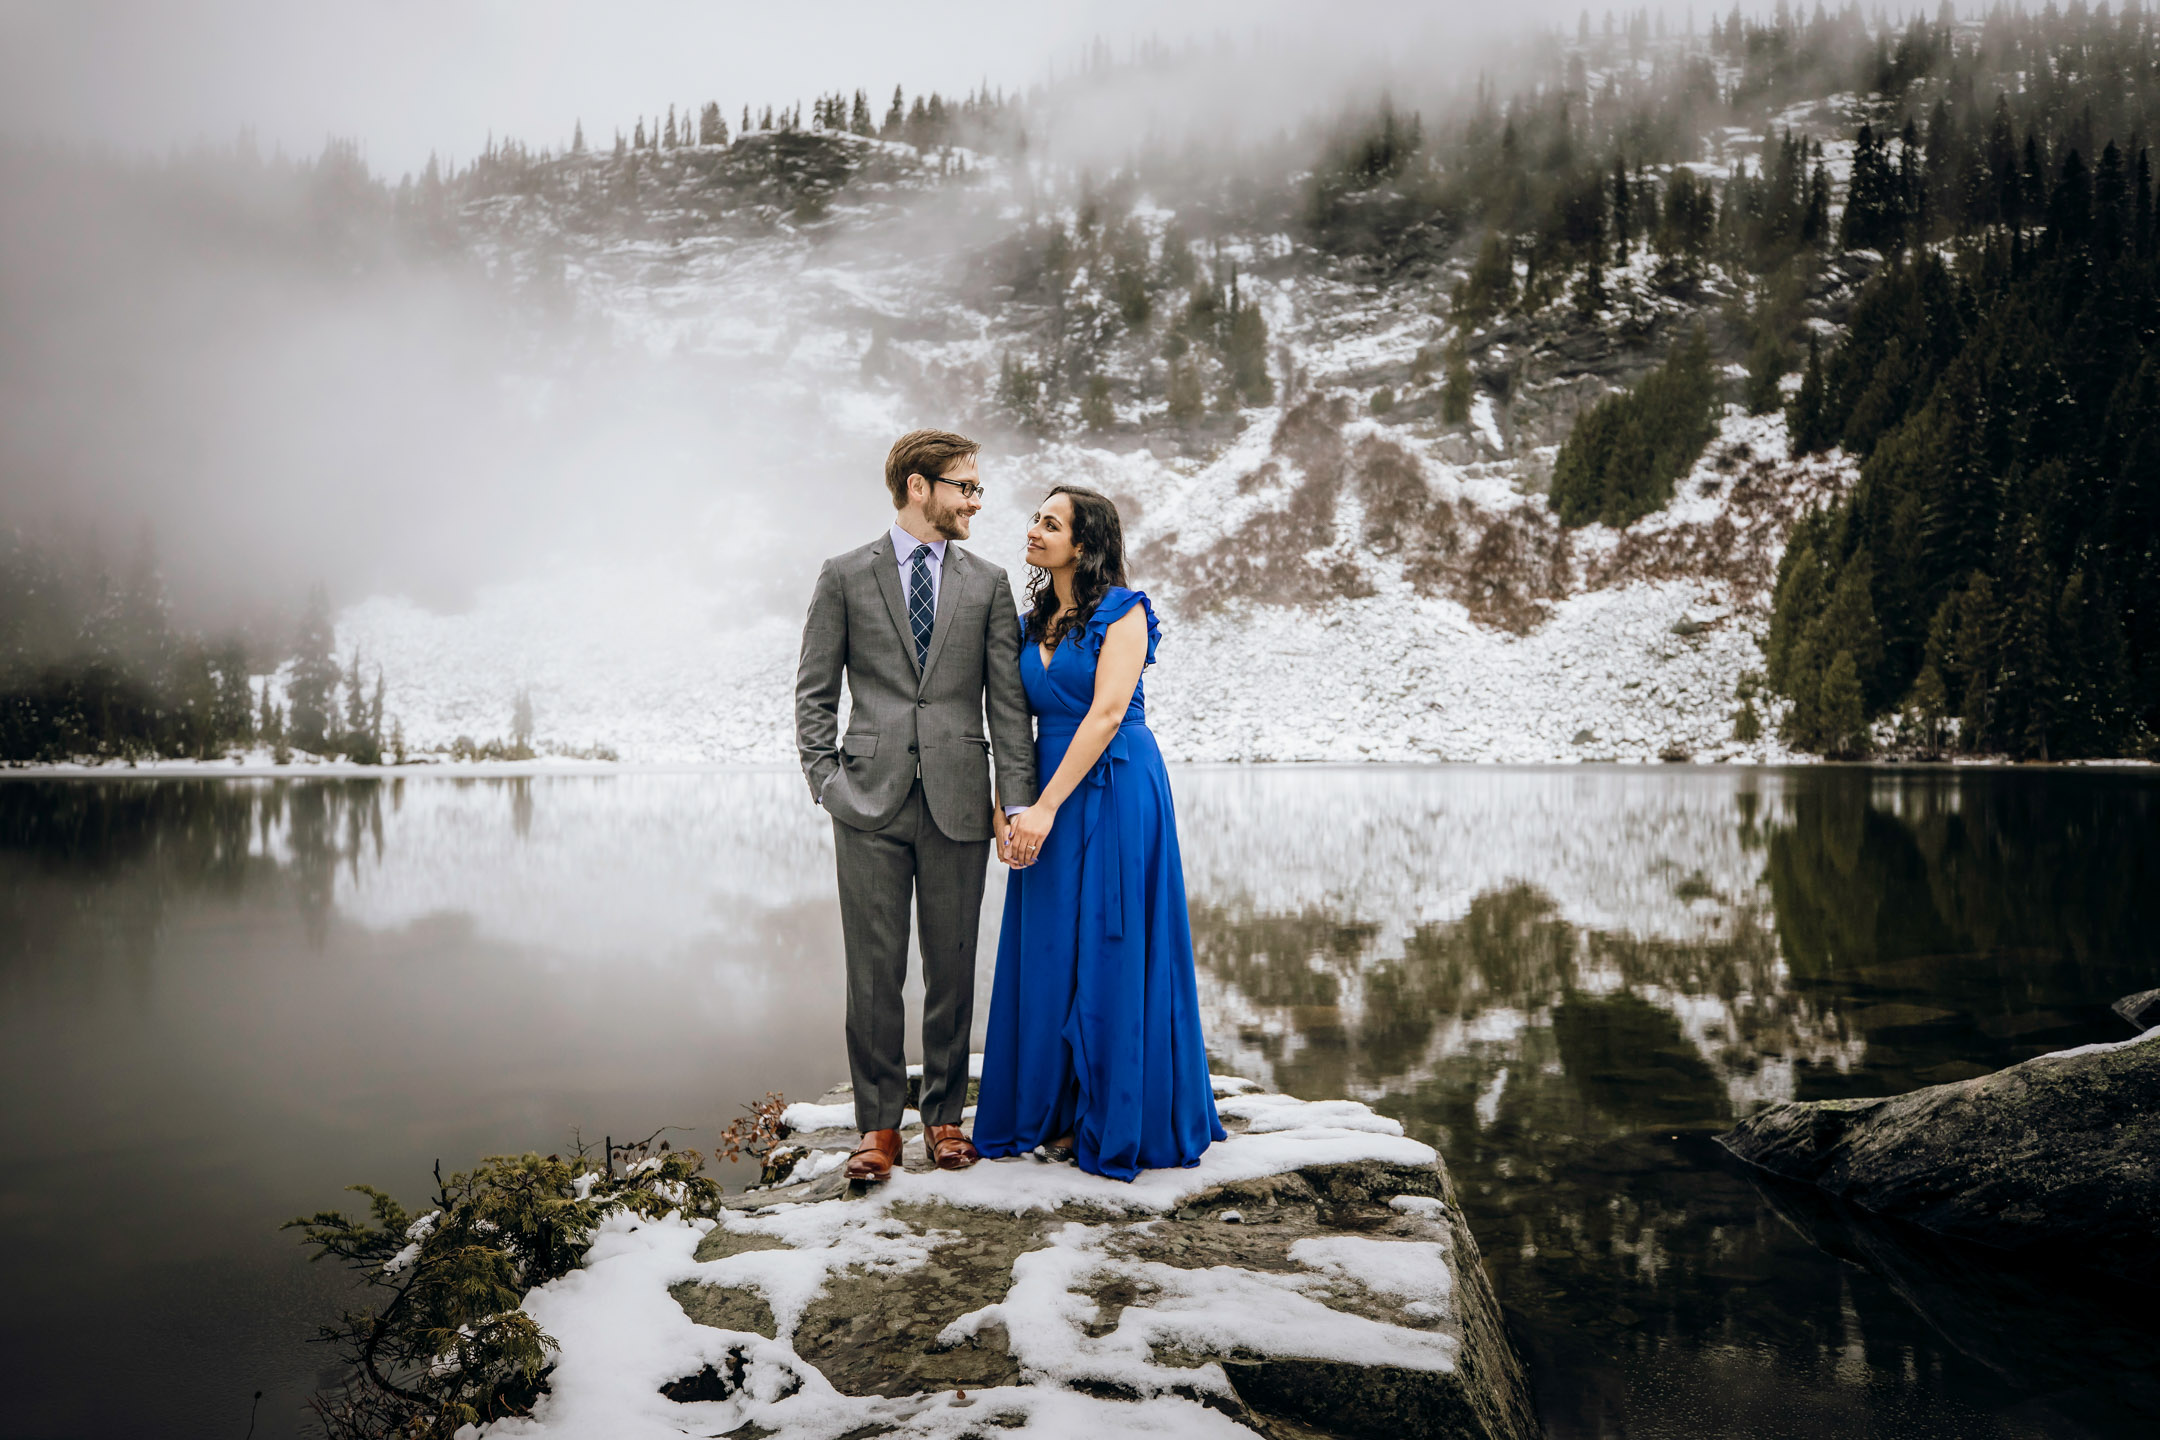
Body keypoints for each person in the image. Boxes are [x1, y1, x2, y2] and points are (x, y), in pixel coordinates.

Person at [794, 429, 1037, 1182]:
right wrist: (826, 781)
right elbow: (813, 694)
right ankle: (876, 1130)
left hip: (962, 802)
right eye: (964, 486)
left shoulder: (990, 582)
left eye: (977, 488)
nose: (976, 501)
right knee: (873, 972)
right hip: (865, 802)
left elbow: (1009, 704)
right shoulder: (843, 575)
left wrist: (1015, 804)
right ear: (918, 487)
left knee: (953, 968)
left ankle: (942, 1119)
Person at [972, 484, 1225, 1180]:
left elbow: (1109, 711)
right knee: (1050, 944)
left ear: (1083, 545)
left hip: (1114, 785)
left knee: (1112, 942)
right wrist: (1007, 808)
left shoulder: (1125, 612)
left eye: (1050, 524)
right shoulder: (1031, 623)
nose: (1034, 529)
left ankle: (1116, 1113)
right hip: (1045, 789)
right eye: (1035, 518)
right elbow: (1009, 724)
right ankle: (1051, 1111)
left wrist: (1045, 810)